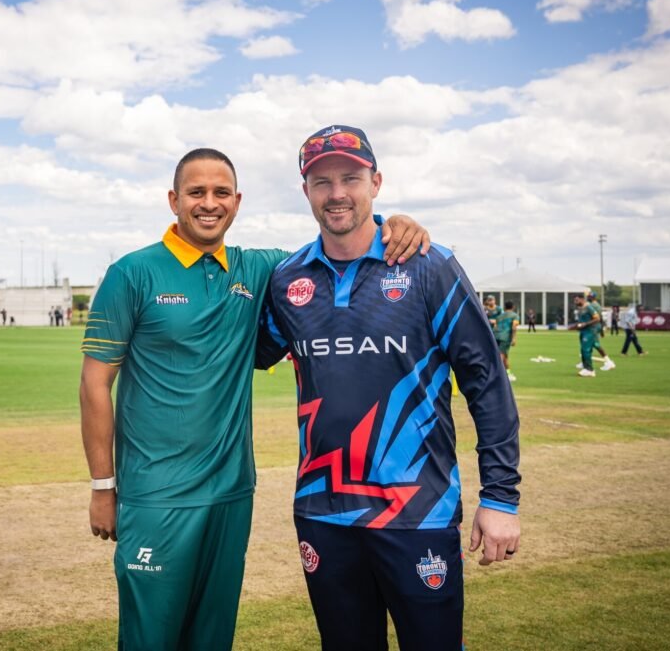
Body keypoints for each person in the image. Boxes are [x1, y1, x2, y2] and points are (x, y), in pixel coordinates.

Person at [79, 147, 431, 651]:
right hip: (156, 495)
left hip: (231, 493)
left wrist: (393, 223)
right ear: (173, 199)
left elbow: (336, 245)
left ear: (237, 201)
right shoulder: (132, 273)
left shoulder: (260, 269)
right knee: (150, 638)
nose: (209, 203)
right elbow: (95, 384)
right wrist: (102, 486)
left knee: (212, 637)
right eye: (196, 192)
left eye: (221, 193)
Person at [256, 125, 520, 651]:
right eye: (322, 181)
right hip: (323, 511)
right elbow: (241, 353)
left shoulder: (428, 265)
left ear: (376, 182)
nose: (337, 193)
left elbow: (486, 381)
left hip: (417, 512)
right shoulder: (287, 281)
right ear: (305, 191)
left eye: (350, 178)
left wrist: (501, 498)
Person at [583, 291, 616, 371]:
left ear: (592, 297)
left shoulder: (592, 305)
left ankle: (609, 362)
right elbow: (600, 318)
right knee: (590, 344)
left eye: (589, 296)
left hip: (593, 327)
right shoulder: (597, 305)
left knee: (596, 345)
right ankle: (585, 361)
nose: (587, 297)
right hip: (595, 327)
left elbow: (595, 317)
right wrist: (601, 330)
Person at [571, 293, 599, 377]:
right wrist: (576, 326)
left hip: (590, 331)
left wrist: (585, 324)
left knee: (586, 350)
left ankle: (590, 370)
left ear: (582, 299)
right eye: (575, 300)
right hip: (583, 331)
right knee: (583, 350)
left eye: (577, 300)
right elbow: (581, 321)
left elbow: (597, 318)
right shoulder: (580, 308)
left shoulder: (589, 307)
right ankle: (586, 367)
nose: (575, 302)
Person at [496, 300, 520, 381]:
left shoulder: (500, 316)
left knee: (505, 355)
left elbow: (495, 327)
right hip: (505, 337)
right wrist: (513, 338)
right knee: (501, 355)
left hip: (496, 336)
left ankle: (508, 373)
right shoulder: (514, 316)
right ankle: (496, 374)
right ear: (513, 307)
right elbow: (514, 326)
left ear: (505, 307)